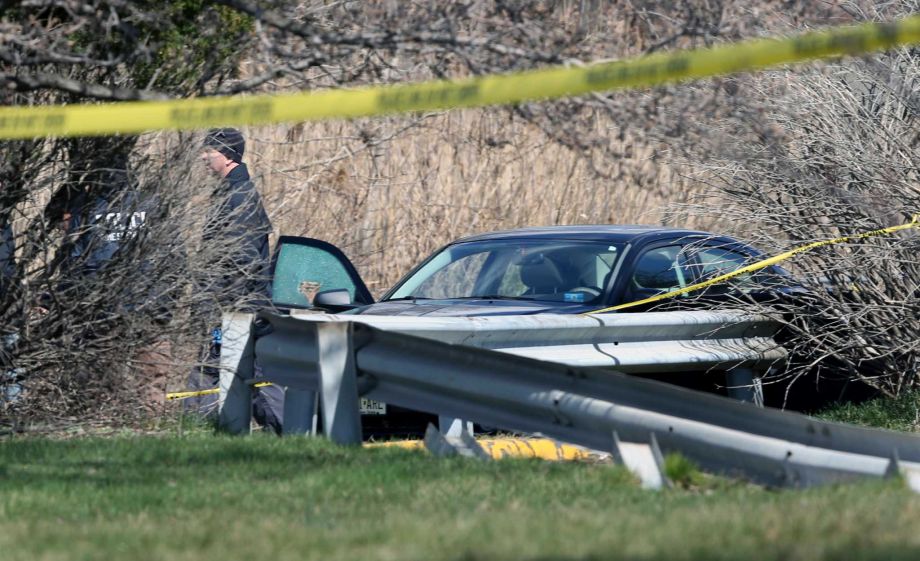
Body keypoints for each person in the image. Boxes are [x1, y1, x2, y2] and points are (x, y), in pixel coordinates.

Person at [185, 128, 283, 433]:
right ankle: (200, 431)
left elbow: (242, 260)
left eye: (209, 151)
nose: (203, 157)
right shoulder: (231, 192)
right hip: (233, 308)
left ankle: (198, 433)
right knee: (236, 374)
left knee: (224, 373)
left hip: (236, 309)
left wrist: (224, 311)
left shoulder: (239, 196)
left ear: (228, 156)